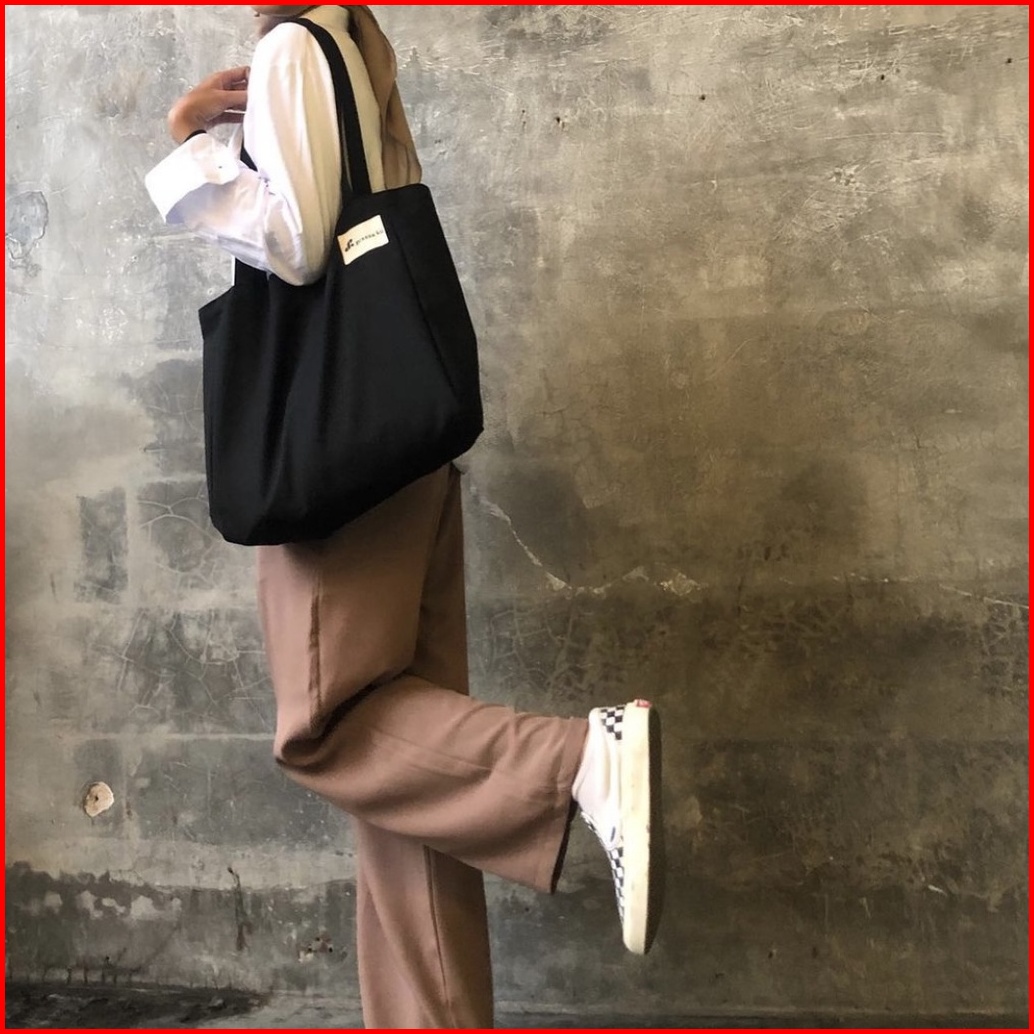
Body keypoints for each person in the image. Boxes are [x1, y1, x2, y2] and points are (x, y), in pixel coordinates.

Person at [145, 6, 662, 1028]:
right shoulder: (354, 46)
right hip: (395, 447)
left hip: (335, 466)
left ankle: (582, 762)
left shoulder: (292, 49)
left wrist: (187, 152)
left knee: (328, 727)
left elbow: (297, 245)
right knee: (415, 785)